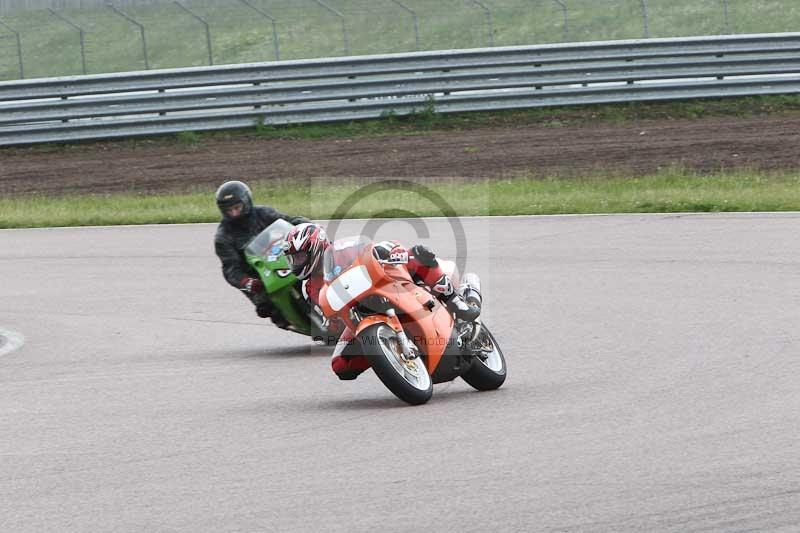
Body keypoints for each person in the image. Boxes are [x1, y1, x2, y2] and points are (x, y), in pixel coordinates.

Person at [282, 222, 480, 379]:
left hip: (384, 284)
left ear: (316, 247)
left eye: (299, 257)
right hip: (358, 316)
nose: (296, 263)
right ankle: (388, 354)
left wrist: (391, 252)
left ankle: (455, 299)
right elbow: (327, 317)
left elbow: (372, 249)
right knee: (341, 365)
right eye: (293, 259)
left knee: (418, 253)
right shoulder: (308, 288)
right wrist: (331, 321)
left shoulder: (344, 249)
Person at [213, 180, 309, 327]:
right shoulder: (223, 236)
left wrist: (305, 224)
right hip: (258, 275)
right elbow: (230, 268)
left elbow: (288, 221)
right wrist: (246, 282)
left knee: (315, 265)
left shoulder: (264, 213)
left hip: (283, 256)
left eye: (237, 207)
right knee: (270, 311)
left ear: (246, 202)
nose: (233, 213)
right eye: (229, 210)